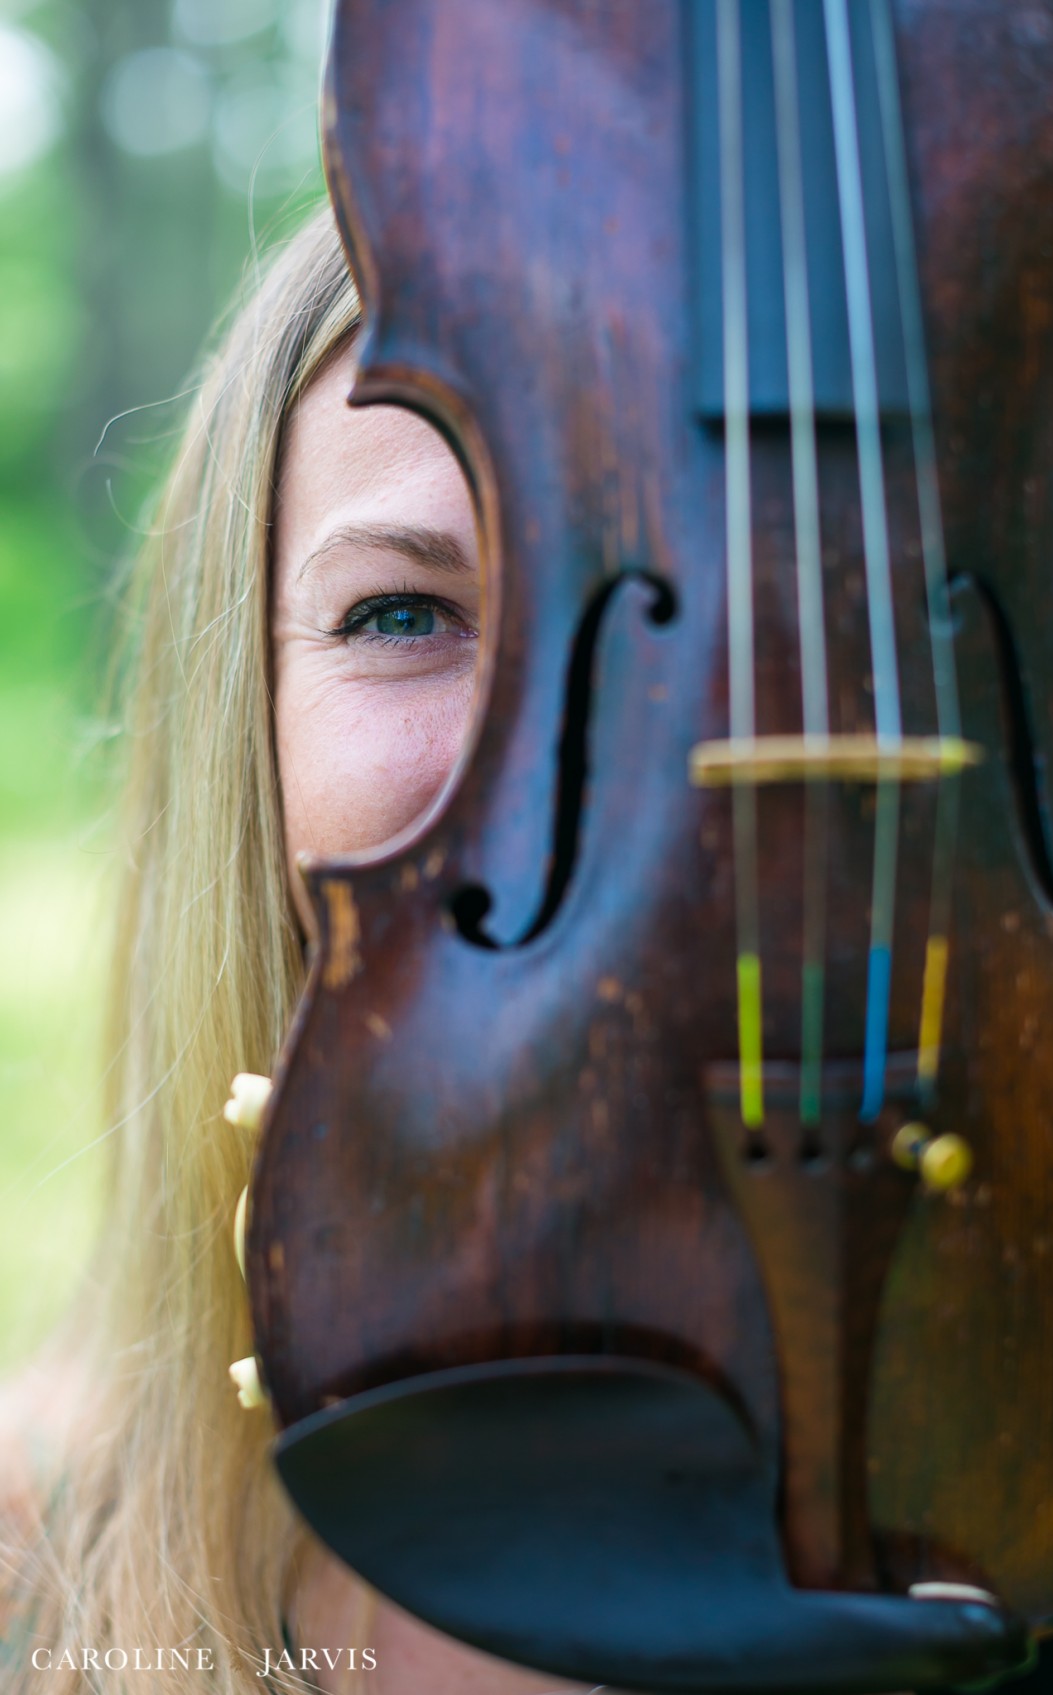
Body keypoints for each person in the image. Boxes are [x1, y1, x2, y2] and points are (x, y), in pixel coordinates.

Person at [0, 206, 592, 1695]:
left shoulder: (1036, 1511)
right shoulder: (25, 1568)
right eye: (404, 613)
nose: (548, 750)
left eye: (640, 613)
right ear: (239, 725)